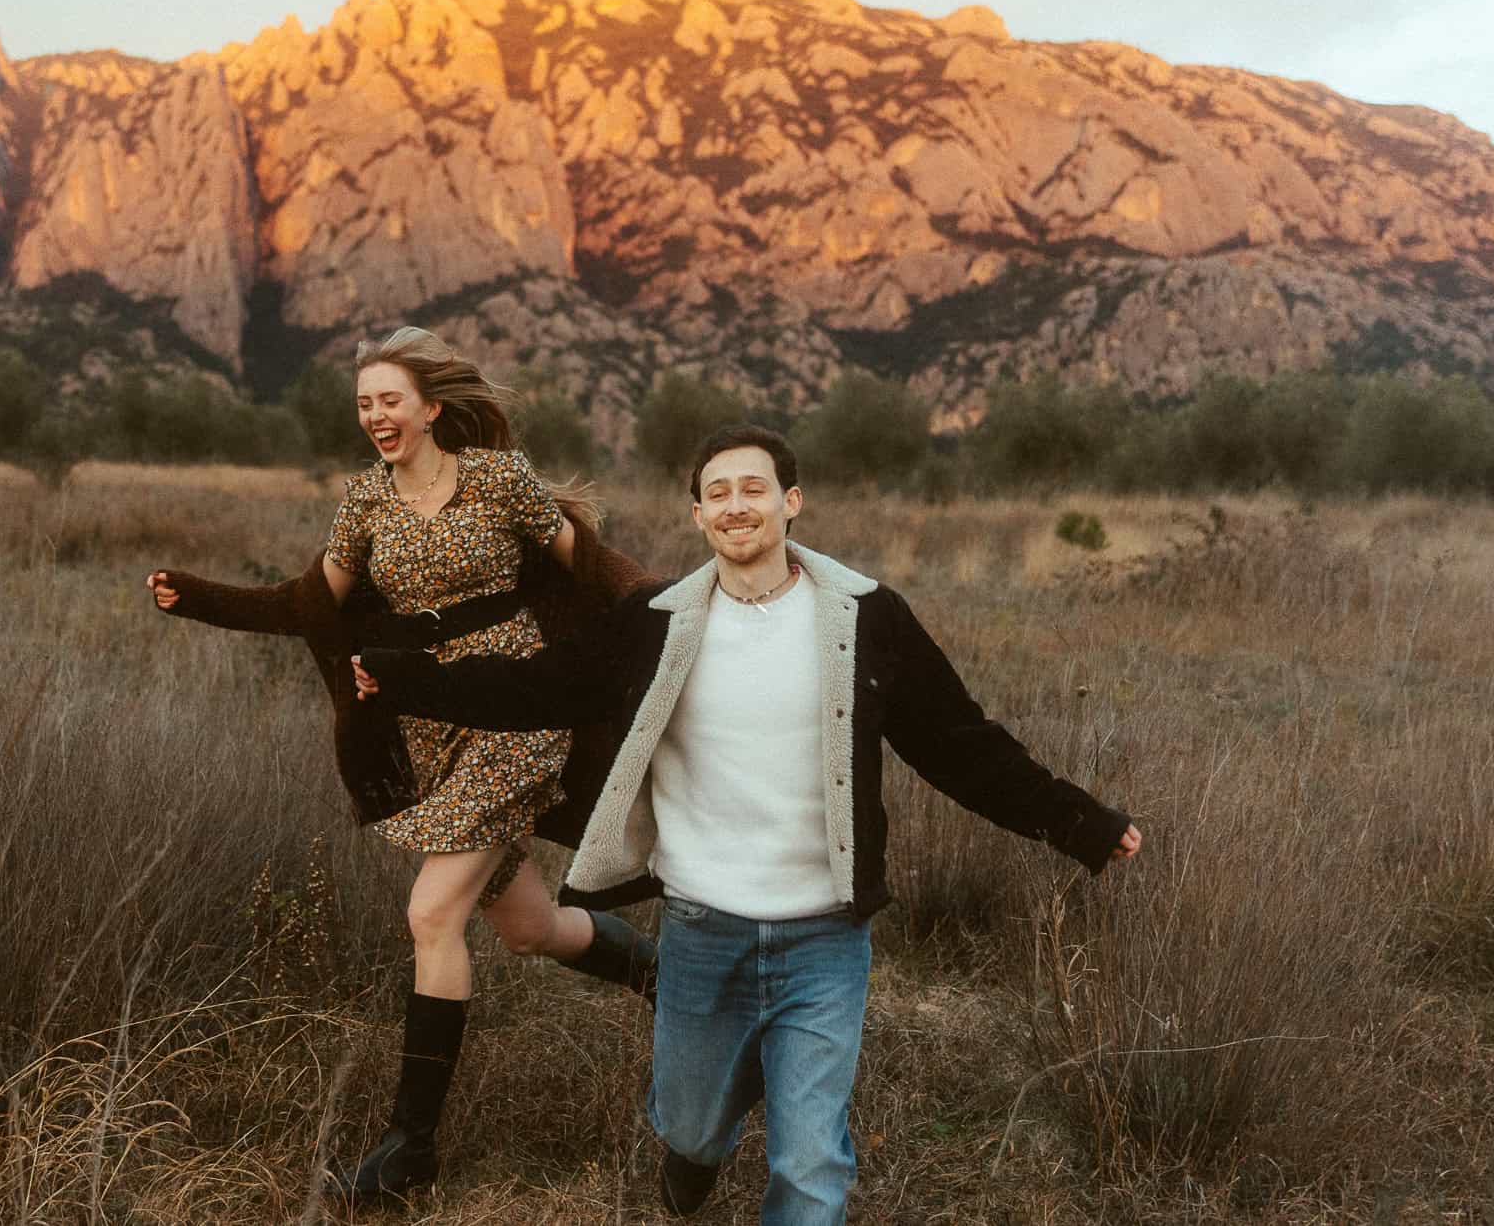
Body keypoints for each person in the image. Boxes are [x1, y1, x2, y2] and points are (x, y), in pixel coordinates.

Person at [355, 423, 1143, 1225]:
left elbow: (962, 746)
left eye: (754, 487)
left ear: (791, 501)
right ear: (697, 514)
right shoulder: (655, 623)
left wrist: (1077, 821)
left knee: (810, 1165)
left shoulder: (866, 617)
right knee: (693, 1124)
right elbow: (536, 687)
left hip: (826, 935)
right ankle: (696, 1144)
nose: (737, 506)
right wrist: (405, 678)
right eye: (718, 493)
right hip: (702, 926)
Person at [144, 327, 657, 1207]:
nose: (375, 415)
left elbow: (595, 569)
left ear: (430, 406)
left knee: (430, 913)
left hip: (521, 709)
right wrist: (196, 597)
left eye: (390, 399)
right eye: (363, 403)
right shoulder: (365, 502)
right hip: (431, 727)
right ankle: (670, 977)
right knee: (527, 926)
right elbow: (308, 603)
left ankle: (409, 1149)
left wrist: (677, 611)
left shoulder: (499, 478)